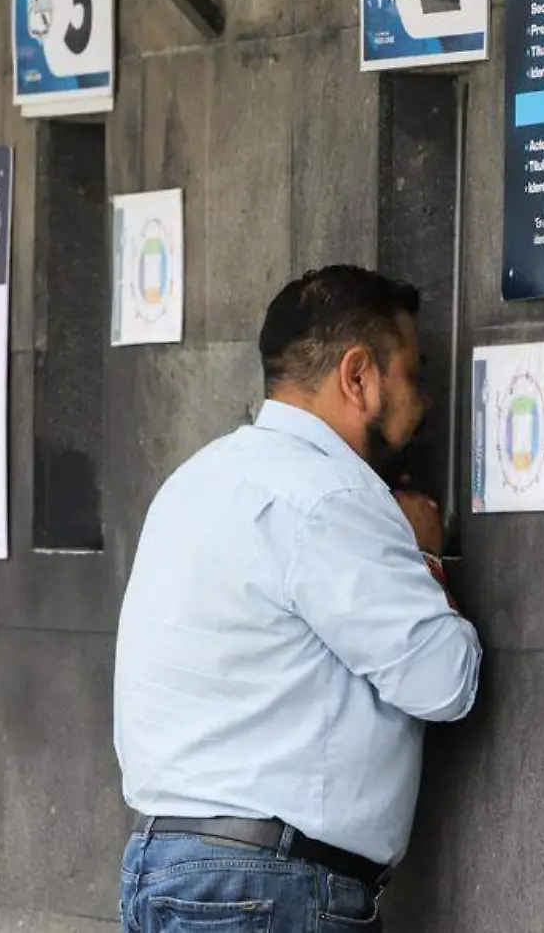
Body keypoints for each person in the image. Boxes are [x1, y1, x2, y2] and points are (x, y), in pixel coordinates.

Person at [114, 265, 483, 932]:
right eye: (413, 375)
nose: (424, 403)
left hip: (168, 867)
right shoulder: (330, 497)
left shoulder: (196, 480)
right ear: (359, 376)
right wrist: (426, 552)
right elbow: (443, 680)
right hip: (264, 887)